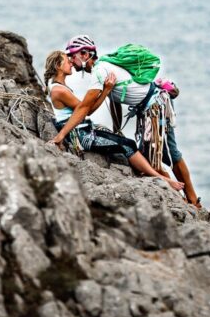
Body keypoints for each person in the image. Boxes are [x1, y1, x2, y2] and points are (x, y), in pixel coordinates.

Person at [61, 35, 202, 209]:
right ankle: (182, 197)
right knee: (154, 156)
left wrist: (61, 136)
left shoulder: (100, 70)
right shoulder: (104, 67)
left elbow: (84, 109)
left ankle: (191, 201)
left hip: (155, 106)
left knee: (167, 154)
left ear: (84, 54)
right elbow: (114, 100)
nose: (70, 60)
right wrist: (116, 126)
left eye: (72, 55)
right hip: (149, 108)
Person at [44, 50, 184, 192]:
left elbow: (83, 109)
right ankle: (161, 178)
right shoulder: (59, 91)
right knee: (127, 145)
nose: (71, 62)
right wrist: (106, 90)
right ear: (57, 65)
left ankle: (150, 172)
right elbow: (86, 110)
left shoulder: (59, 87)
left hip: (83, 129)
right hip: (80, 136)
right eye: (66, 60)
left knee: (126, 141)